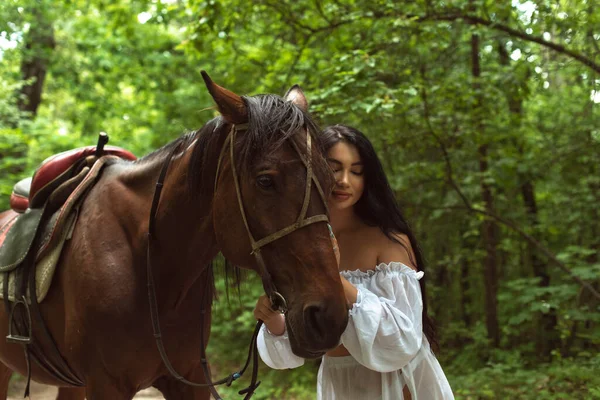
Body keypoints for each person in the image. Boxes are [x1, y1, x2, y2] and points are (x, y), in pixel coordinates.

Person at [253, 125, 454, 399]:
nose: (345, 180)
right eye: (334, 168)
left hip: (398, 385)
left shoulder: (389, 240)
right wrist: (275, 321)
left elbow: (402, 341)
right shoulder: (299, 245)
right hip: (339, 383)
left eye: (356, 171)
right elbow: (293, 353)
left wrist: (333, 276)